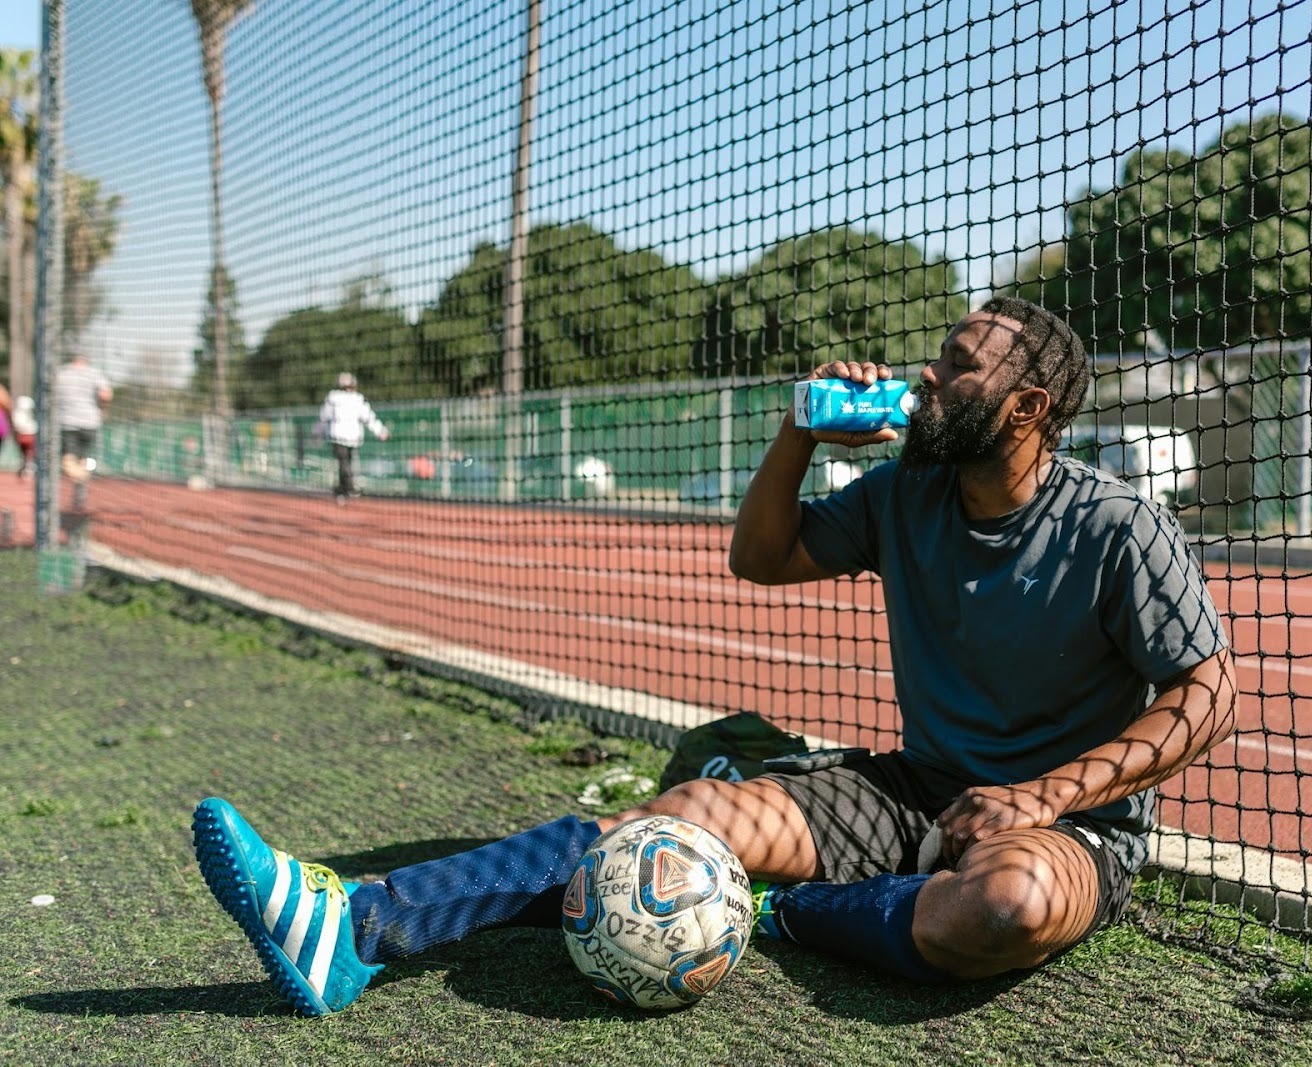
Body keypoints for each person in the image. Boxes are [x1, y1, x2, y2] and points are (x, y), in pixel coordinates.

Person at [191, 297, 1236, 1016]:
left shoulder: (1117, 526)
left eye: (958, 365)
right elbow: (763, 556)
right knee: (681, 812)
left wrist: (1042, 795)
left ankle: (789, 910)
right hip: (912, 790)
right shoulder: (906, 491)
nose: (927, 372)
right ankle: (358, 926)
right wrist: (799, 432)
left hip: (1068, 825)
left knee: (1003, 907)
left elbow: (1208, 691)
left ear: (1026, 410)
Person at [317, 371, 388, 504]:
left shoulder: (336, 398)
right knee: (345, 463)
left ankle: (343, 490)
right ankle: (348, 488)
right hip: (345, 438)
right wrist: (381, 431)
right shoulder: (353, 399)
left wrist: (318, 433)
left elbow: (323, 418)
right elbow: (369, 418)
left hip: (340, 437)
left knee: (344, 463)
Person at [55, 353, 112, 483]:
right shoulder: (94, 373)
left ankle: (79, 478)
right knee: (83, 460)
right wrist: (103, 409)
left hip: (68, 422)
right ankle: (81, 489)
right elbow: (106, 395)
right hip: (90, 422)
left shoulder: (62, 373)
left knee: (68, 460)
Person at [12, 395, 36, 478]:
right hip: (26, 435)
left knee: (26, 454)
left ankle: (26, 467)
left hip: (25, 435)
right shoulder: (24, 413)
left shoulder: (19, 413)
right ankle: (27, 467)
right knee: (28, 453)